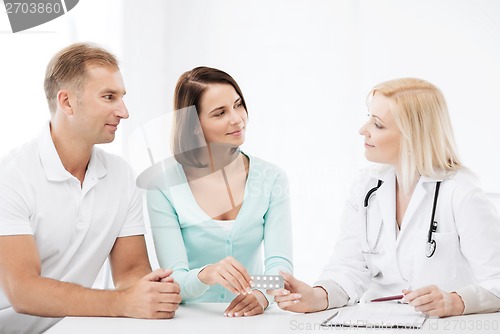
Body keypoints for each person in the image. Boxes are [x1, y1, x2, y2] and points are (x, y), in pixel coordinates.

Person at [268, 78, 500, 317]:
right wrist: (316, 296)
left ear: (413, 136)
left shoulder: (461, 193)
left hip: (441, 327)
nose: (363, 129)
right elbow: (348, 268)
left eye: (377, 124)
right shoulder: (366, 187)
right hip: (377, 321)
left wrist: (455, 302)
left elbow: (496, 281)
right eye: (369, 117)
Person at [0, 43, 181, 333]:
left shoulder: (121, 176)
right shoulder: (11, 177)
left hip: (74, 327)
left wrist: (149, 294)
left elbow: (131, 270)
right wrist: (121, 302)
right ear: (67, 102)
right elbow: (22, 290)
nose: (124, 112)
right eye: (109, 97)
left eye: (122, 98)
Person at [144, 66, 293, 317]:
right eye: (220, 113)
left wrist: (262, 295)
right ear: (193, 124)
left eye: (238, 105)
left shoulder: (272, 178)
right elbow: (175, 280)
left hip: (251, 322)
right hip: (188, 320)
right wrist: (206, 274)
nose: (237, 119)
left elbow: (280, 268)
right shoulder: (162, 184)